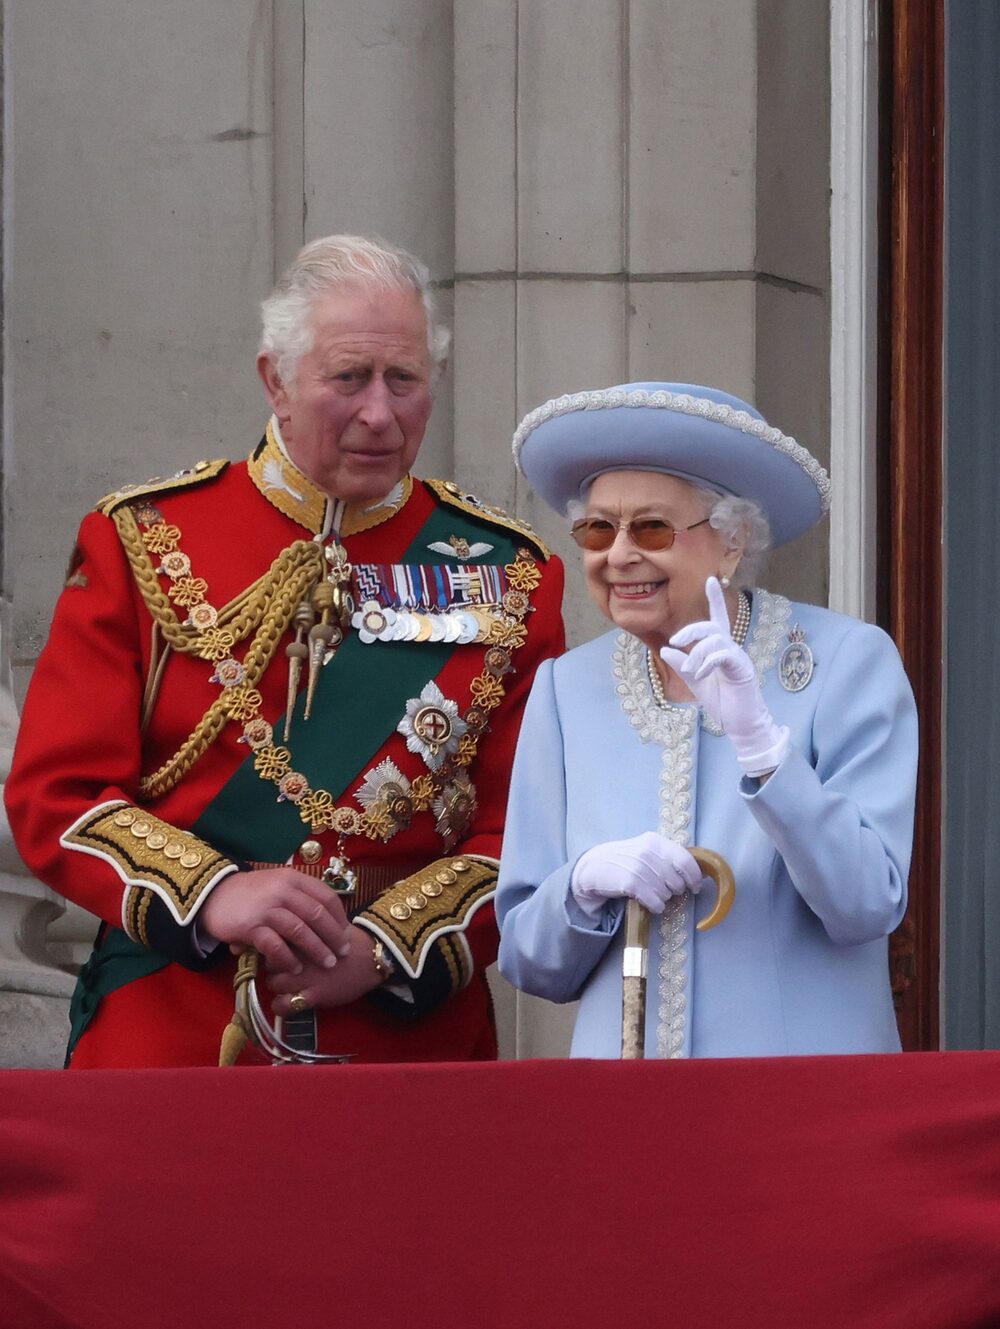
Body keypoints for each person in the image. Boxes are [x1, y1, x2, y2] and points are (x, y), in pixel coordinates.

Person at [5, 234, 564, 1067]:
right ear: (276, 379)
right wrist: (213, 893)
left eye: (404, 380)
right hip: (175, 1020)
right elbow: (59, 793)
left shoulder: (507, 573)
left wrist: (385, 947)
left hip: (407, 1040)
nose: (381, 412)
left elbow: (526, 828)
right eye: (349, 378)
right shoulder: (148, 538)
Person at [496, 382, 917, 1058]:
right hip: (628, 1119)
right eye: (598, 529)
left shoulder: (846, 663)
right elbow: (529, 959)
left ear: (731, 539)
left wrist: (766, 752)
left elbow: (866, 902)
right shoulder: (565, 690)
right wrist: (580, 886)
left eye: (652, 527)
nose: (619, 554)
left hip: (796, 1107)